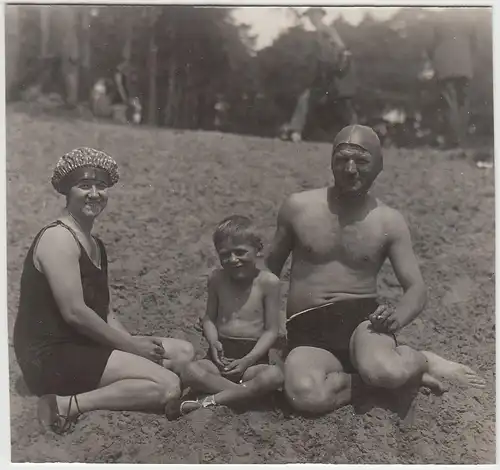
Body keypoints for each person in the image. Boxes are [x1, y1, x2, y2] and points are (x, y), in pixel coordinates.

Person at [265, 124, 485, 414]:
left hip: (363, 324)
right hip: (308, 330)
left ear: (378, 167)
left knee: (385, 372)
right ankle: (395, 375)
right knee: (305, 396)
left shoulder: (388, 221)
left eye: (362, 161)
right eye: (342, 159)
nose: (351, 169)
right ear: (331, 162)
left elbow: (416, 288)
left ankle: (420, 361)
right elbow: (268, 272)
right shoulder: (298, 207)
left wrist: (397, 317)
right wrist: (263, 328)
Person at [13, 147, 194, 434]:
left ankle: (130, 379)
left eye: (101, 186)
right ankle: (65, 404)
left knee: (184, 352)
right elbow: (74, 313)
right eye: (84, 186)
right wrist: (132, 347)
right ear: (67, 192)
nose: (94, 194)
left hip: (80, 344)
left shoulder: (95, 244)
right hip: (50, 356)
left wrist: (133, 344)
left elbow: (104, 311)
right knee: (168, 385)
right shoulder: (58, 238)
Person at [175, 215, 283, 416]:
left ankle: (209, 400)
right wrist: (214, 341)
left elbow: (271, 331)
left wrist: (249, 360)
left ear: (258, 249)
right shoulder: (217, 279)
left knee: (274, 376)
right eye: (225, 255)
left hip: (252, 360)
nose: (233, 260)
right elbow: (209, 318)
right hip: (220, 358)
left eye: (240, 252)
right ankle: (244, 395)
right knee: (189, 371)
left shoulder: (269, 282)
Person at [280, 7, 357, 143]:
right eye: (310, 16)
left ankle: (295, 131)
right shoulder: (315, 35)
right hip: (322, 74)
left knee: (342, 106)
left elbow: (341, 48)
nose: (312, 18)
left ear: (320, 15)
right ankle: (295, 132)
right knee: (308, 100)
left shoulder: (327, 30)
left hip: (330, 73)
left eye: (314, 15)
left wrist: (340, 61)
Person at [426, 9, 477, 148]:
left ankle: (454, 140)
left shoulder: (439, 18)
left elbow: (430, 44)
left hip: (445, 65)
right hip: (465, 65)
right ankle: (462, 139)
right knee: (463, 103)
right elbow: (474, 44)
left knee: (449, 103)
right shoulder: (469, 17)